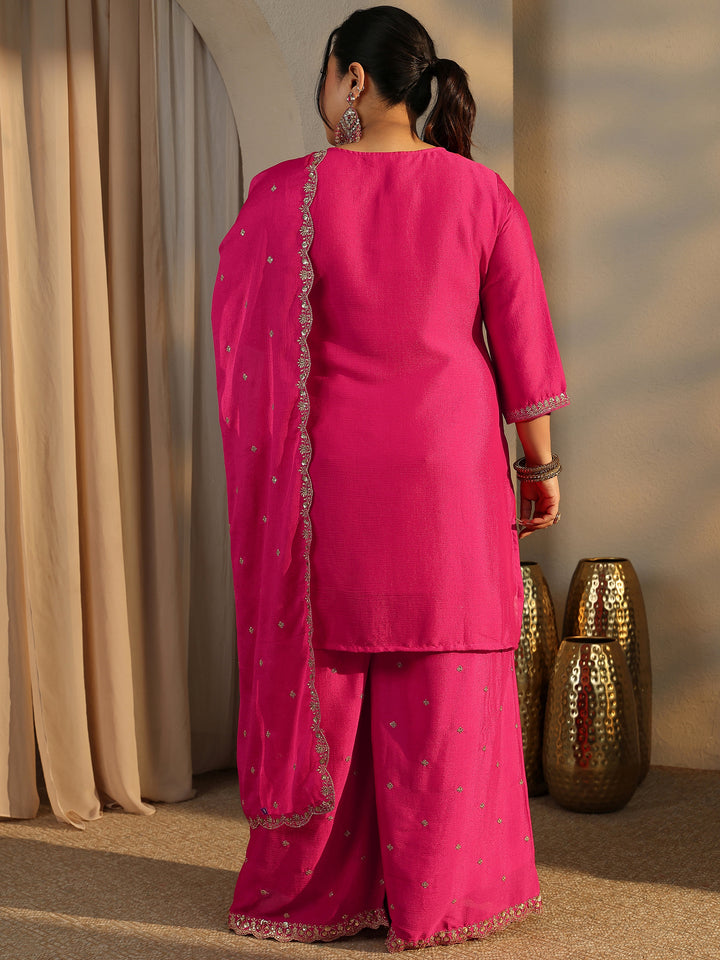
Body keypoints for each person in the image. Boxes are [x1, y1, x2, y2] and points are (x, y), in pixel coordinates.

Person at [211, 5, 568, 953]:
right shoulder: (480, 192)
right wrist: (540, 467)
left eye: (329, 72)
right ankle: (446, 895)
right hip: (451, 470)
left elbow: (247, 341)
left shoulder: (286, 194)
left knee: (332, 680)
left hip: (332, 476)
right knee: (446, 674)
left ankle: (323, 893)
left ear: (355, 81)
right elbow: (523, 343)